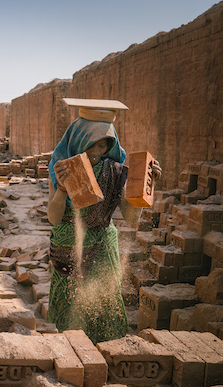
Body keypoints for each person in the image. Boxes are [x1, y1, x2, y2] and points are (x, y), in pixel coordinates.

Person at [46, 98, 161, 344]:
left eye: (103, 147)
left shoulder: (115, 170)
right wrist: (62, 189)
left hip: (103, 249)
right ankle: (73, 360)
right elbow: (54, 218)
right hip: (69, 250)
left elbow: (131, 218)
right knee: (71, 307)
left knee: (104, 305)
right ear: (77, 141)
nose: (97, 154)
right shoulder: (61, 168)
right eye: (91, 146)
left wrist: (149, 186)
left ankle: (104, 358)